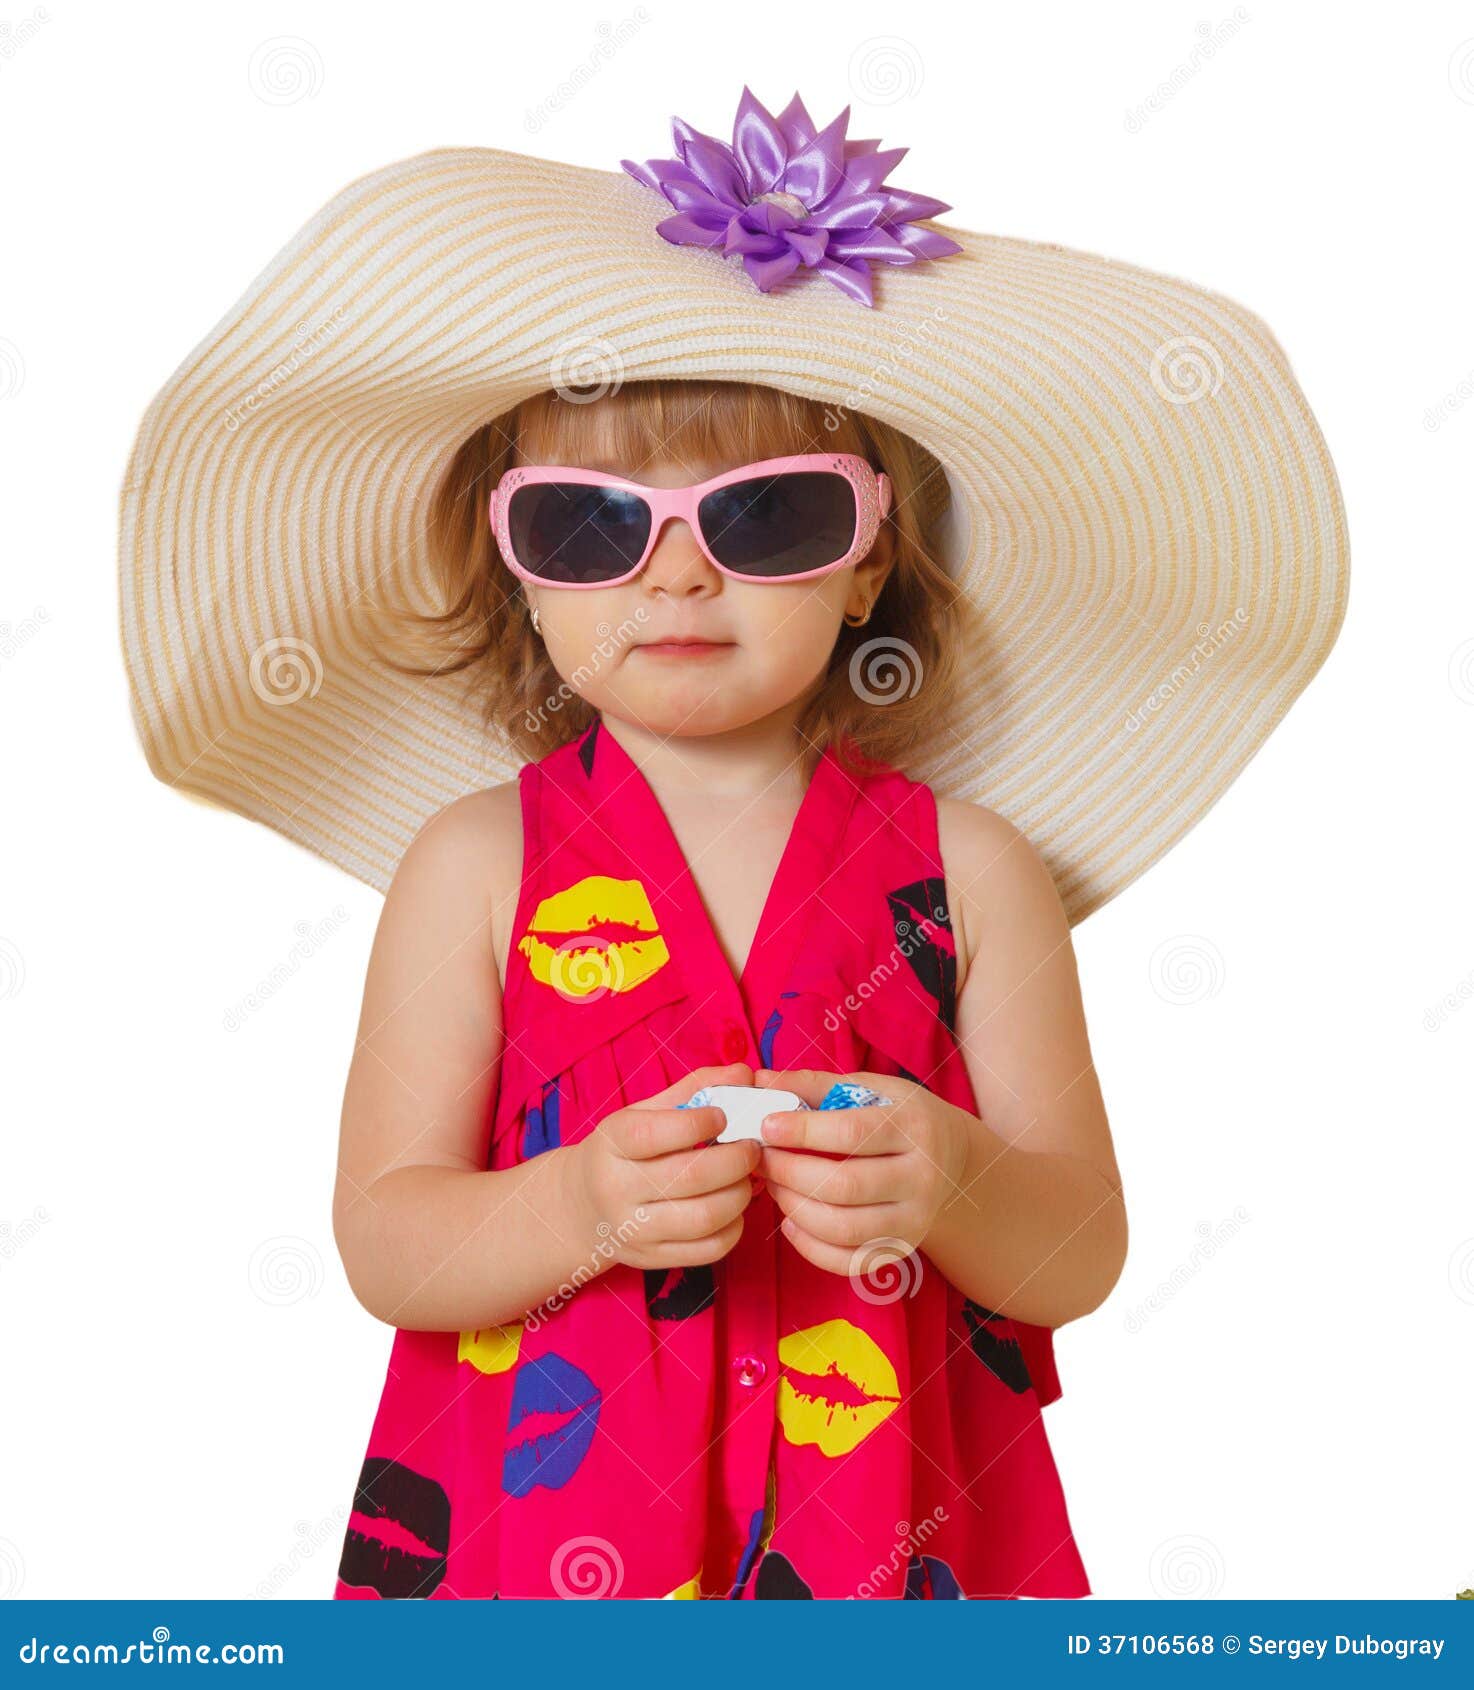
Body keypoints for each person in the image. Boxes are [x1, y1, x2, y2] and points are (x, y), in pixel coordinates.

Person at [117, 88, 1348, 1600]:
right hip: (536, 1552)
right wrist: (572, 1204)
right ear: (522, 577)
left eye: (764, 518)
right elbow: (389, 1239)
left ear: (866, 561)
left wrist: (955, 1178)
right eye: (589, 526)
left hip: (894, 1553)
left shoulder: (968, 870)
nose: (678, 574)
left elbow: (1074, 1254)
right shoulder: (476, 864)